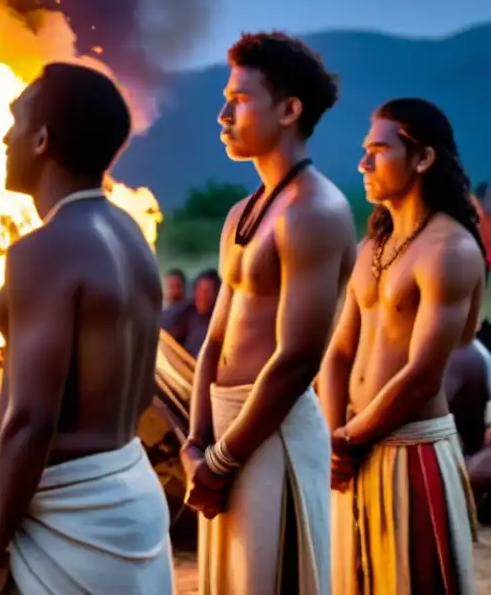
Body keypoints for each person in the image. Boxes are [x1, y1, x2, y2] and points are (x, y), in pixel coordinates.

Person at [0, 62, 173, 595]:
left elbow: (32, 420)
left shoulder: (44, 249)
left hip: (73, 517)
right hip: (130, 491)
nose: (4, 136)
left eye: (14, 122)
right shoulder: (128, 233)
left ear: (40, 140)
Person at [184, 33, 356, 594]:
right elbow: (213, 341)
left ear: (288, 110)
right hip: (223, 436)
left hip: (270, 435)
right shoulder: (244, 211)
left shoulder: (314, 211)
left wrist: (223, 458)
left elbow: (298, 357)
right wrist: (194, 442)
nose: (223, 114)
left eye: (239, 99)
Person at [319, 98, 486, 592]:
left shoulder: (450, 249)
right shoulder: (372, 247)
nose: (363, 163)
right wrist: (334, 436)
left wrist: (348, 438)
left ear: (423, 158)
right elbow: (338, 353)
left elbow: (422, 376)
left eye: (378, 150)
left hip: (412, 454)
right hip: (353, 450)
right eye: (364, 150)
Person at [165, 269, 221, 358]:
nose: (203, 296)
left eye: (207, 291)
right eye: (200, 291)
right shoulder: (187, 312)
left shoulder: (219, 322)